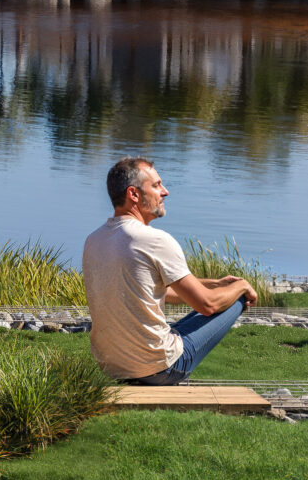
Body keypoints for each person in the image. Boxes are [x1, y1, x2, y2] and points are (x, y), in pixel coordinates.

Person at [80, 157, 257, 386]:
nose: (165, 192)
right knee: (236, 299)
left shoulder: (94, 240)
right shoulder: (154, 240)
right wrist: (242, 286)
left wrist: (215, 284)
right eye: (156, 185)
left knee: (222, 295)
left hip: (112, 367)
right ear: (133, 194)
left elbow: (147, 290)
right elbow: (208, 305)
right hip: (160, 369)